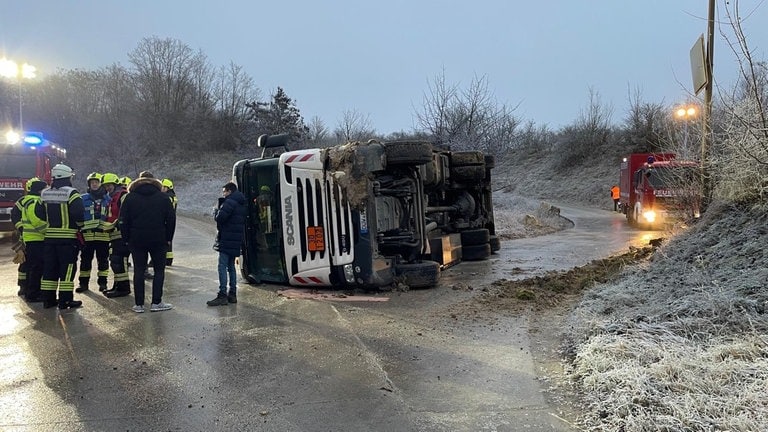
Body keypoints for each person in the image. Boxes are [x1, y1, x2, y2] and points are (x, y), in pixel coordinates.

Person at [119, 171, 176, 313]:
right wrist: (168, 238)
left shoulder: (129, 198)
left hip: (136, 239)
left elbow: (123, 220)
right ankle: (156, 302)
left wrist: (126, 238)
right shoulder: (163, 198)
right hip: (159, 239)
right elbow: (171, 220)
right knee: (159, 271)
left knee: (138, 270)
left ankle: (139, 304)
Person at [39, 164, 85, 309]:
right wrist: (79, 226)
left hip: (49, 238)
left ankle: (48, 299)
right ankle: (65, 300)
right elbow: (78, 214)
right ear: (67, 177)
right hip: (67, 239)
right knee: (67, 269)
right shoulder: (72, 193)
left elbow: (40, 213)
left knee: (50, 269)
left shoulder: (45, 193)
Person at [207, 182, 246, 306]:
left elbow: (220, 218)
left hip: (226, 239)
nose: (223, 193)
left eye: (224, 191)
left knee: (222, 266)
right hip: (236, 240)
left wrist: (215, 211)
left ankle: (222, 294)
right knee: (231, 267)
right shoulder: (241, 203)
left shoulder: (229, 202)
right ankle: (232, 294)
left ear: (229, 191)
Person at [10, 177, 48, 302]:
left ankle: (27, 289)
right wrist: (48, 231)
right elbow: (34, 219)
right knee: (32, 266)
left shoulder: (28, 200)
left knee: (30, 264)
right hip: (33, 238)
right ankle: (30, 291)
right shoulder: (33, 201)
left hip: (29, 237)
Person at [77, 172, 111, 292]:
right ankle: (83, 284)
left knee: (103, 261)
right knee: (85, 261)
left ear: (100, 184)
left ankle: (103, 283)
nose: (94, 184)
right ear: (89, 184)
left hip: (104, 235)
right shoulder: (83, 198)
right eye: (92, 183)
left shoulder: (108, 199)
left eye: (96, 182)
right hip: (87, 236)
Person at [102, 173, 131, 298]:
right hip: (114, 234)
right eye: (106, 186)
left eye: (109, 185)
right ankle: (118, 285)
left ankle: (124, 288)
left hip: (121, 234)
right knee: (115, 261)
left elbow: (125, 214)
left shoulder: (123, 196)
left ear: (115, 184)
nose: (107, 188)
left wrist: (114, 225)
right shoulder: (112, 197)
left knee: (119, 261)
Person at [161, 178, 177, 266]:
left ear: (168, 188)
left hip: (166, 220)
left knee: (165, 240)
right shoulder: (172, 196)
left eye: (164, 187)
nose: (162, 189)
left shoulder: (168, 197)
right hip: (170, 220)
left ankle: (167, 260)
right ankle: (169, 258)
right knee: (169, 240)